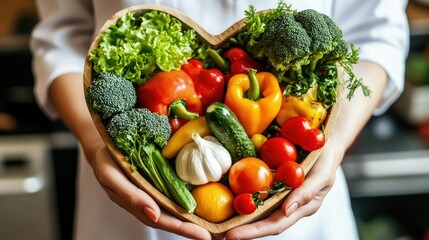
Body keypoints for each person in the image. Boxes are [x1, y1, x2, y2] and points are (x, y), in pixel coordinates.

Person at [30, 0, 409, 239]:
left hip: (295, 192)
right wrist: (97, 143)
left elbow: (376, 36)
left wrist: (335, 142)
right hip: (126, 205)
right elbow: (63, 39)